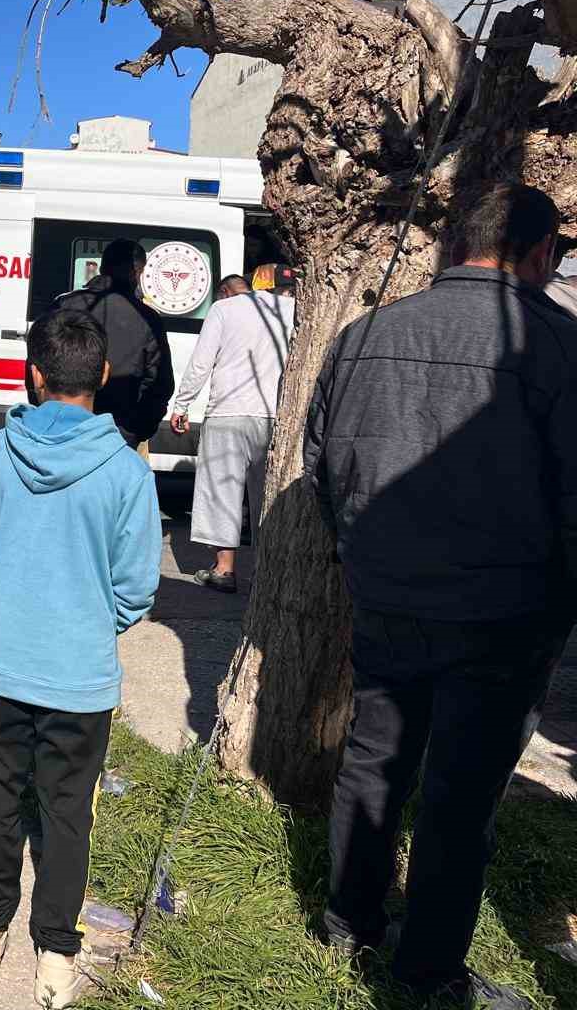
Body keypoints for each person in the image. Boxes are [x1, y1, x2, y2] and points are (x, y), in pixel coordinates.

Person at [309, 183, 577, 1008]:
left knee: (374, 759)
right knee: (460, 794)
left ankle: (348, 922)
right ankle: (427, 971)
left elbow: (323, 468)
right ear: (539, 256)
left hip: (388, 593)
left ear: (456, 245)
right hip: (504, 613)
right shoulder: (559, 344)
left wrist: (362, 555)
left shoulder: (364, 335)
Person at [0, 311, 161, 1008]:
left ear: (34, 375)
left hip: (0, 665)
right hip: (79, 676)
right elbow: (135, 589)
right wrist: (87, 622)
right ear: (102, 377)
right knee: (68, 812)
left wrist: (18, 608)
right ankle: (55, 952)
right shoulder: (127, 472)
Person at [170, 265, 296, 593]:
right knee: (267, 498)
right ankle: (267, 575)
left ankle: (224, 569)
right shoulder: (297, 312)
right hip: (274, 417)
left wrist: (182, 404)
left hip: (226, 412)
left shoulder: (226, 308)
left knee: (221, 492)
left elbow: (201, 362)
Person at [56, 239, 174, 451]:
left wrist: (49, 413)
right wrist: (136, 430)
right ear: (137, 271)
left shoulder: (63, 305)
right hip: (117, 434)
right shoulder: (146, 318)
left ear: (102, 267)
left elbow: (39, 364)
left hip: (63, 428)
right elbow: (160, 383)